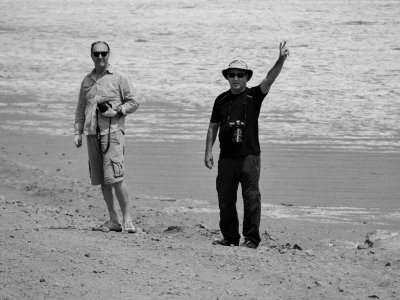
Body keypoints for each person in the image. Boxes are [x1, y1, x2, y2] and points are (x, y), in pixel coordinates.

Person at [204, 41, 289, 248]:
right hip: (226, 159)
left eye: (240, 75)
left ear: (246, 77)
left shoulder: (254, 96)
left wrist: (281, 59)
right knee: (225, 199)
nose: (235, 78)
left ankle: (251, 239)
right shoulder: (220, 100)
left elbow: (270, 78)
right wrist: (208, 151)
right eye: (232, 74)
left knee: (251, 199)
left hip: (249, 157)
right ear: (227, 77)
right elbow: (212, 127)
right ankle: (230, 237)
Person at [74, 41, 139, 233]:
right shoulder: (86, 80)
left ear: (109, 54)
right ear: (91, 55)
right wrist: (77, 131)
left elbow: (134, 102)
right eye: (96, 54)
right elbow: (80, 108)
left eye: (103, 53)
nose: (100, 57)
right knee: (102, 179)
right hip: (92, 134)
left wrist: (117, 111)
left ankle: (127, 220)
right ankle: (113, 220)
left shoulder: (119, 78)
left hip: (113, 134)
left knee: (116, 178)